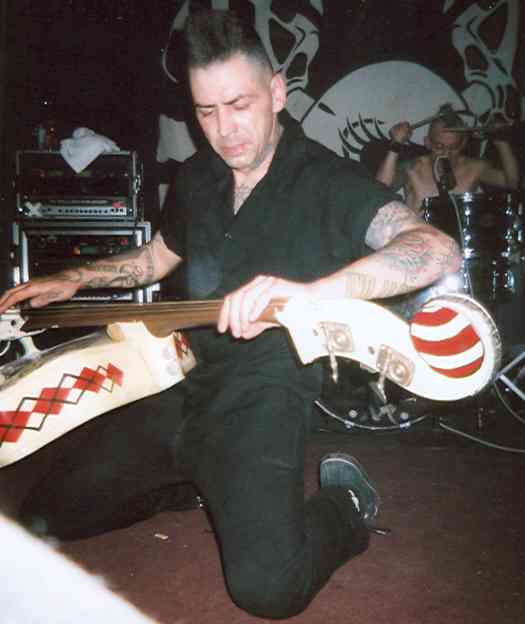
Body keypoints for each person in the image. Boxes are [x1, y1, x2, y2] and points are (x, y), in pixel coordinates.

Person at [0, 10, 461, 620]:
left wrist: (314, 293)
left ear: (277, 92)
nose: (225, 130)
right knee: (45, 518)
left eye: (240, 105)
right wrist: (73, 278)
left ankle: (347, 507)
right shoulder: (197, 176)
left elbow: (435, 249)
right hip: (176, 381)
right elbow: (157, 257)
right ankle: (187, 485)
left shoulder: (328, 180)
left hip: (261, 396)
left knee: (268, 590)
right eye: (207, 111)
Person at [375, 109, 520, 213]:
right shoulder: (413, 167)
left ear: (463, 144)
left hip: (457, 241)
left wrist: (502, 142)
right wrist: (395, 145)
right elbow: (379, 188)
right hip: (416, 242)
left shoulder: (474, 168)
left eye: (453, 147)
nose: (446, 153)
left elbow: (512, 182)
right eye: (439, 147)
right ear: (427, 143)